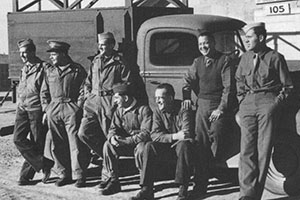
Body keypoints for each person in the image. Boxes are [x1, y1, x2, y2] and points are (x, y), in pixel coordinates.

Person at [235, 22, 293, 200]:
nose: (246, 40)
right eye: (245, 37)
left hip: (267, 103)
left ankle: (255, 196)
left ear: (260, 38)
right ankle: (245, 195)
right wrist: (242, 101)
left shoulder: (275, 57)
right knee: (246, 152)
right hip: (248, 104)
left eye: (249, 37)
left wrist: (274, 104)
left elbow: (288, 86)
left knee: (263, 151)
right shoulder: (244, 58)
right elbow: (239, 81)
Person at [182, 30, 236, 195]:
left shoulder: (224, 60)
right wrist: (186, 97)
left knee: (218, 135)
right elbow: (187, 80)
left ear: (213, 43)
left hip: (219, 104)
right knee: (201, 145)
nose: (203, 47)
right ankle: (200, 185)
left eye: (206, 43)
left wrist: (221, 108)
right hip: (202, 106)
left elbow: (228, 88)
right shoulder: (197, 62)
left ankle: (214, 167)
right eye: (200, 44)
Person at [77, 32, 132, 186]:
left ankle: (109, 176)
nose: (101, 47)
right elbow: (88, 81)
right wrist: (87, 95)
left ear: (112, 45)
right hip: (93, 102)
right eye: (100, 45)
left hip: (109, 102)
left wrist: (118, 96)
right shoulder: (95, 61)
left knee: (110, 138)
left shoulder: (120, 62)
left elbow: (127, 82)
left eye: (105, 44)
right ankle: (110, 162)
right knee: (83, 133)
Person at [130, 83, 194, 200]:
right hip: (169, 146)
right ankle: (146, 189)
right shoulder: (158, 111)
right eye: (156, 98)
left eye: (160, 98)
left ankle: (183, 189)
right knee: (149, 146)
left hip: (182, 149)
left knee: (184, 145)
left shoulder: (183, 109)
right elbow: (155, 135)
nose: (157, 101)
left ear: (170, 98)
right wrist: (174, 136)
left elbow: (186, 134)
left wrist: (170, 137)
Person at [41, 40, 88, 187]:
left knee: (75, 144)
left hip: (70, 108)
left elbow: (84, 90)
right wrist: (46, 109)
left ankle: (79, 175)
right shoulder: (49, 71)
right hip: (54, 108)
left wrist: (78, 107)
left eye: (53, 54)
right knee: (57, 143)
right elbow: (44, 91)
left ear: (62, 54)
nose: (51, 58)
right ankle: (64, 174)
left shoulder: (77, 70)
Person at [13, 38, 54, 186]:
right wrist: (19, 104)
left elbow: (46, 91)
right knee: (18, 139)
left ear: (32, 52)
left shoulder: (43, 68)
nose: (22, 56)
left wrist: (45, 111)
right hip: (23, 108)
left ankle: (26, 176)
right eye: (21, 53)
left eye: (25, 53)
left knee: (38, 143)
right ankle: (45, 163)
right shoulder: (24, 69)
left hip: (36, 109)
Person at [99, 82, 152, 195]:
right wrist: (112, 138)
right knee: (108, 145)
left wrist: (125, 141)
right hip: (125, 144)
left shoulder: (144, 110)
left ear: (126, 98)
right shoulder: (119, 111)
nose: (115, 101)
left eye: (117, 98)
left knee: (143, 148)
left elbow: (146, 134)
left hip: (139, 144)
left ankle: (145, 185)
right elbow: (113, 128)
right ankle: (114, 181)